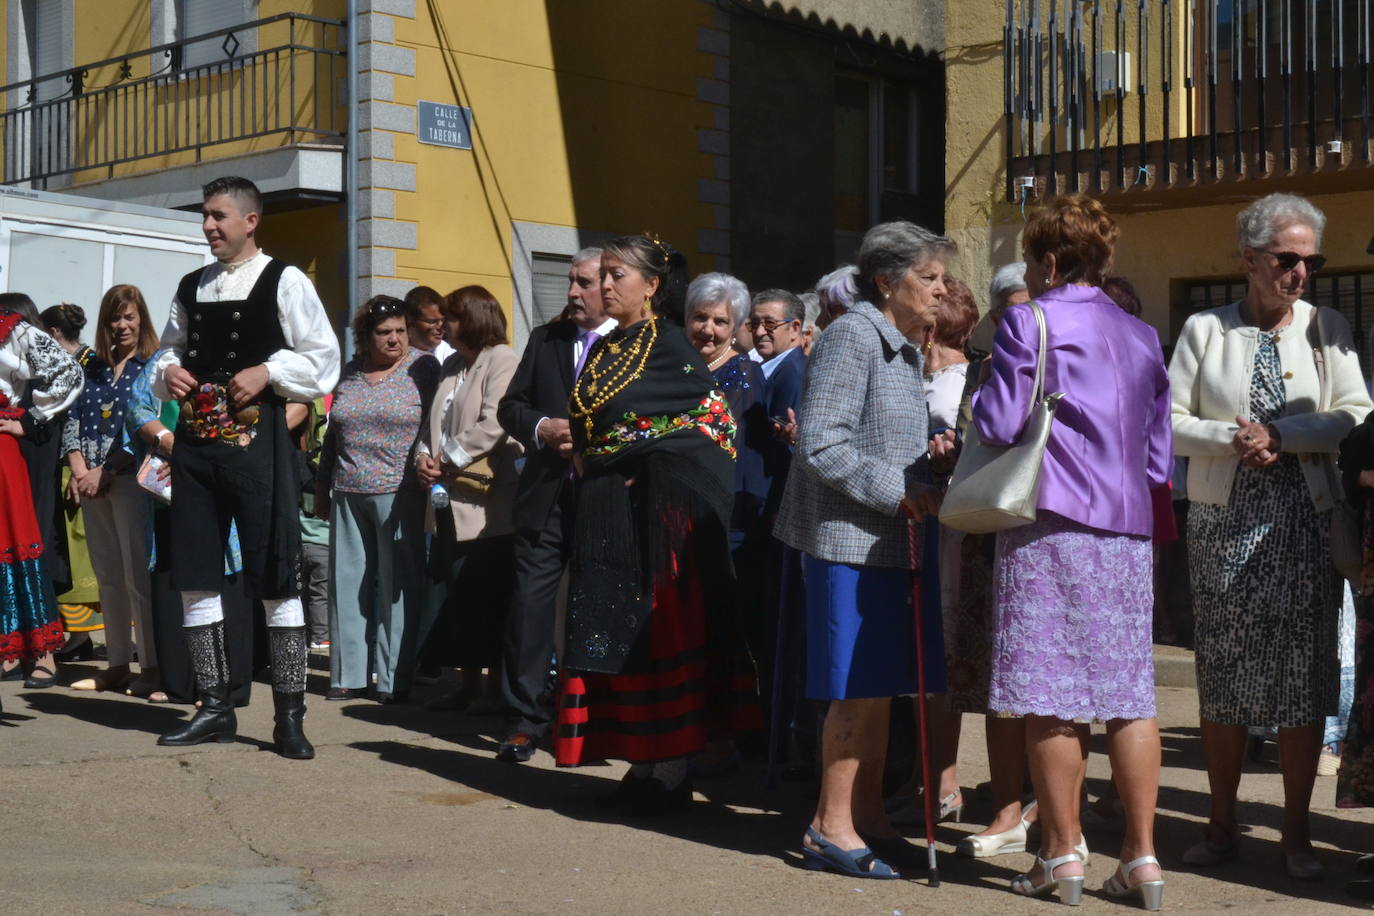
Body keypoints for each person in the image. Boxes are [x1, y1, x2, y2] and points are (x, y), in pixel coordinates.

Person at [972, 193, 1172, 907]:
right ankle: (1142, 858)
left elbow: (998, 421)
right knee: (1128, 696)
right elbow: (1157, 459)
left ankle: (1061, 857)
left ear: (1049, 261)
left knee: (1048, 694)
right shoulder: (1143, 336)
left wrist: (972, 405)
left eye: (1032, 258)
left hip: (1049, 521)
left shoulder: (1031, 318)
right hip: (1125, 531)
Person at [1171, 191, 1370, 880]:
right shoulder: (1204, 329)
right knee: (1222, 679)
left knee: (1304, 683)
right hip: (1222, 524)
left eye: (1310, 261)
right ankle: (1221, 823)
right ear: (1249, 259)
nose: (1300, 274)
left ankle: (1294, 832)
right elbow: (1165, 421)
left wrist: (1283, 434)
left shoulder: (1327, 327)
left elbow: (1353, 415)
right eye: (1287, 259)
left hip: (1303, 525)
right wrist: (1232, 437)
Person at [553, 234, 758, 815]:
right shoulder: (605, 348)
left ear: (652, 286)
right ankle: (641, 766)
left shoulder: (670, 346)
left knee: (659, 638)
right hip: (605, 518)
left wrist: (653, 470)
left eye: (620, 275)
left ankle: (669, 769)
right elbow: (597, 428)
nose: (607, 284)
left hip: (659, 528)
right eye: (604, 275)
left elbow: (713, 426)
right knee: (613, 637)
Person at [773, 221, 951, 878]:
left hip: (889, 542)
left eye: (941, 277)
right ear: (886, 281)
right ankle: (830, 825)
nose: (941, 289)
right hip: (847, 542)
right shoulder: (853, 335)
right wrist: (900, 490)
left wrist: (932, 466)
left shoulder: (902, 344)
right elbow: (820, 445)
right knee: (851, 690)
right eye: (928, 277)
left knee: (877, 688)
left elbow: (883, 443)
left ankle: (867, 816)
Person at [151, 175, 340, 759]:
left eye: (218, 216)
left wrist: (269, 373)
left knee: (276, 572)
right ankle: (214, 706)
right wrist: (168, 373)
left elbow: (323, 358)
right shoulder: (192, 283)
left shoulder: (287, 280)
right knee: (197, 573)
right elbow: (166, 350)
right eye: (205, 216)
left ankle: (288, 715)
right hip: (198, 449)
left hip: (260, 448)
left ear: (250, 221)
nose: (208, 225)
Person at [493, 246, 614, 763]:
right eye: (571, 280)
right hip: (544, 496)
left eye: (583, 282)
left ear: (612, 288)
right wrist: (542, 427)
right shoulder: (547, 340)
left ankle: (596, 721)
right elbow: (510, 407)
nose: (572, 292)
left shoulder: (639, 346)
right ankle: (526, 718)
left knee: (600, 609)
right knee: (530, 609)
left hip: (604, 499)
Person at [882, 276, 979, 830]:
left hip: (947, 527)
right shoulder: (909, 373)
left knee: (940, 656)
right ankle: (923, 776)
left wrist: (942, 458)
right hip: (907, 523)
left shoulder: (965, 377)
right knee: (918, 660)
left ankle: (944, 782)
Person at [316, 296, 437, 703]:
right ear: (365, 337)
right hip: (348, 489)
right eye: (384, 333)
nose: (394, 340)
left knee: (396, 590)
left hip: (398, 490)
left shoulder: (423, 367)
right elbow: (333, 435)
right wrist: (321, 489)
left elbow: (435, 424)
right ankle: (348, 674)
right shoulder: (350, 372)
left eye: (401, 331)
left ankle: (392, 678)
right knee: (347, 585)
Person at [414, 286, 520, 708]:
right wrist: (424, 456)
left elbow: (496, 423)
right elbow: (433, 422)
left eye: (452, 317)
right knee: (457, 595)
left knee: (488, 594)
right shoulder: (452, 365)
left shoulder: (503, 360)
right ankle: (468, 684)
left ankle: (493, 688)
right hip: (446, 499)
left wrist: (447, 457)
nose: (444, 325)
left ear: (474, 318)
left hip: (487, 502)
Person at [684, 271, 769, 775]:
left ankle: (723, 741)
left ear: (736, 326)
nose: (709, 330)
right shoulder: (677, 367)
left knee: (722, 633)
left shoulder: (745, 378)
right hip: (677, 514)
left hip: (725, 523)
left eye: (721, 321)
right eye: (700, 318)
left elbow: (742, 462)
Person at [64, 285, 160, 697]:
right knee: (108, 578)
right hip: (91, 483)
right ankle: (116, 664)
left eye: (129, 317)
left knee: (138, 575)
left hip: (129, 481)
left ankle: (152, 667)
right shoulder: (93, 366)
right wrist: (78, 467)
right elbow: (71, 416)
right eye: (114, 319)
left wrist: (104, 470)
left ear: (142, 320)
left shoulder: (151, 365)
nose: (121, 325)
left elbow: (142, 428)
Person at [0, 302, 83, 696]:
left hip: (8, 449)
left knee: (21, 542)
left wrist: (29, 418)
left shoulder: (11, 329)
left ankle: (42, 652)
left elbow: (68, 372)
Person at [404, 285, 456, 365]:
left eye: (443, 320)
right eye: (432, 321)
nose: (441, 327)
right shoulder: (394, 350)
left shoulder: (451, 358)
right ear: (410, 321)